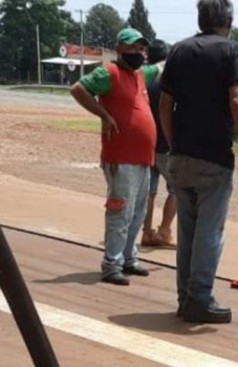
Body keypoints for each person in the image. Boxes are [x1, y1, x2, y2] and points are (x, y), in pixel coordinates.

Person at [159, 0, 238, 324]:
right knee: (209, 232)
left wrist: (174, 145)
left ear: (200, 20)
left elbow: (165, 103)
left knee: (187, 230)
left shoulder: (179, 50)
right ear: (228, 20)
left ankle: (185, 297)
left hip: (181, 156)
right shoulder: (232, 51)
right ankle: (199, 298)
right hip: (213, 158)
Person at [70, 28, 161, 286]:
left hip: (143, 158)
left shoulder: (141, 74)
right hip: (121, 157)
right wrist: (104, 115)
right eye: (132, 48)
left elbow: (163, 66)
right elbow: (78, 89)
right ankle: (111, 263)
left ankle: (128, 258)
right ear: (119, 48)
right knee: (120, 211)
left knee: (138, 212)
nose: (138, 53)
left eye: (141, 49)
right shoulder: (109, 73)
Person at [141, 39, 177, 248]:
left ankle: (146, 232)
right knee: (177, 190)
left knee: (150, 191)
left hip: (147, 142)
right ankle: (164, 231)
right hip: (165, 144)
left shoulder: (144, 80)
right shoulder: (168, 81)